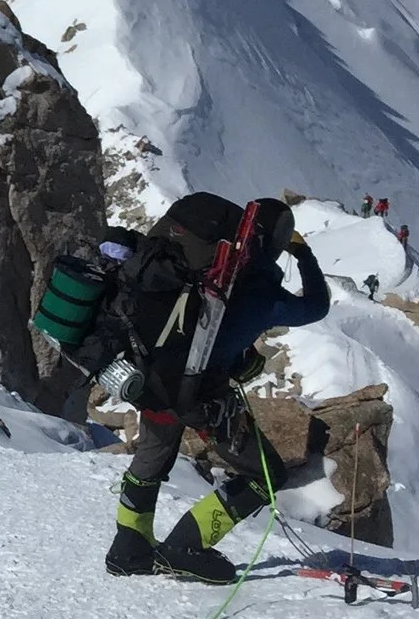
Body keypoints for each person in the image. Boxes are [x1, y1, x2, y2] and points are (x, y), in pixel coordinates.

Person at [105, 199, 332, 584]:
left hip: (155, 378)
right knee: (265, 475)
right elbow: (316, 306)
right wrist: (304, 254)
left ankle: (128, 549)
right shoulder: (261, 290)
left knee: (151, 462)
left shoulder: (195, 271)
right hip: (203, 399)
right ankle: (184, 547)